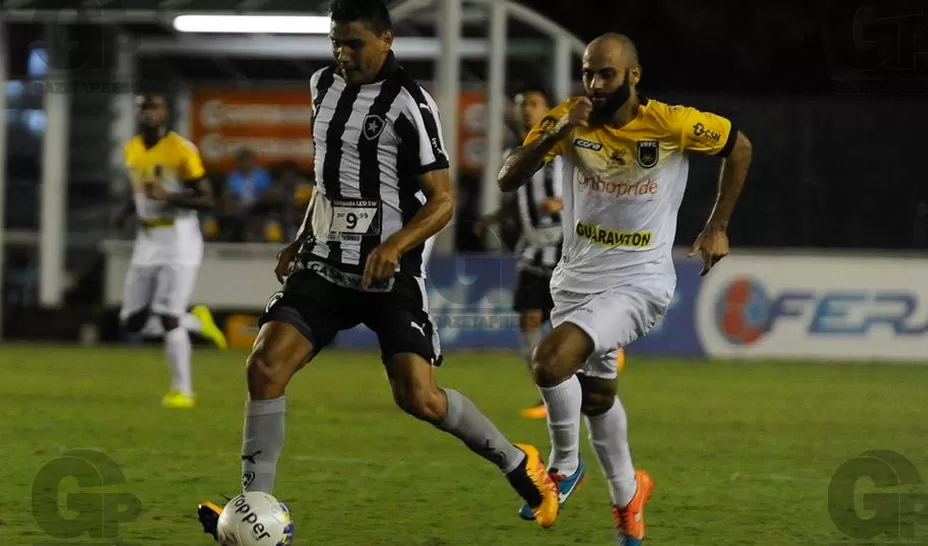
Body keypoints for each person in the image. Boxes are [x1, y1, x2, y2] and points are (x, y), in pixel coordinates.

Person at [196, 0, 560, 538]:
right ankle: (253, 506)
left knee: (419, 397)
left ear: (386, 40)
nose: (343, 54)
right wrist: (301, 237)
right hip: (323, 263)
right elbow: (329, 179)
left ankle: (517, 462)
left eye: (354, 44)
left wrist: (396, 244)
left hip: (388, 275)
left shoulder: (410, 103)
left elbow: (443, 199)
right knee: (264, 367)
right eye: (335, 42)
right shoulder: (322, 86)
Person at [497, 33, 753, 545]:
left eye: (606, 74)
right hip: (575, 279)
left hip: (639, 282)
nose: (594, 84)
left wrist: (717, 225)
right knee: (597, 397)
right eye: (588, 73)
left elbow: (740, 146)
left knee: (549, 362)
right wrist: (554, 136)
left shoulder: (672, 123)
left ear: (633, 75)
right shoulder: (570, 118)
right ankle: (627, 497)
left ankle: (564, 466)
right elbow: (508, 177)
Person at [480, 85, 627, 425]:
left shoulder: (566, 147)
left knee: (569, 317)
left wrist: (564, 204)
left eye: (533, 103)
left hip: (563, 244)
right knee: (529, 319)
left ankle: (605, 346)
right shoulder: (516, 151)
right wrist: (496, 218)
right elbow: (519, 200)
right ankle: (548, 392)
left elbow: (595, 181)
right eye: (521, 104)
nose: (526, 110)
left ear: (549, 108)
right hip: (532, 248)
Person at [115, 92, 228, 410]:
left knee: (166, 317)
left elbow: (207, 200)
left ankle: (183, 391)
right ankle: (195, 322)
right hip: (146, 240)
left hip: (178, 240)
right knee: (132, 322)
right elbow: (138, 188)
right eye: (143, 108)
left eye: (154, 107)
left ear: (165, 112)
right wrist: (126, 211)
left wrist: (168, 195)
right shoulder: (132, 148)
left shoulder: (181, 150)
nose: (148, 113)